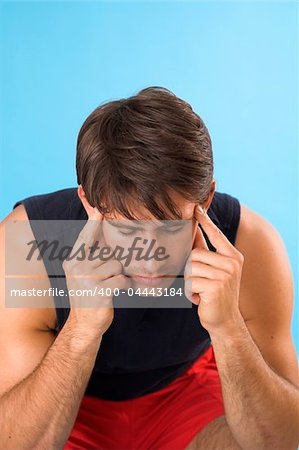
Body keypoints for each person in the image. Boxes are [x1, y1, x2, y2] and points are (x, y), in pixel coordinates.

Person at [0, 86, 298, 450]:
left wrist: (229, 330)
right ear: (91, 203)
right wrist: (80, 330)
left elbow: (283, 441)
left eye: (169, 227)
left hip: (184, 392)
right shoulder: (26, 241)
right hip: (73, 400)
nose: (148, 254)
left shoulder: (250, 242)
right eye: (125, 228)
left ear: (204, 201)